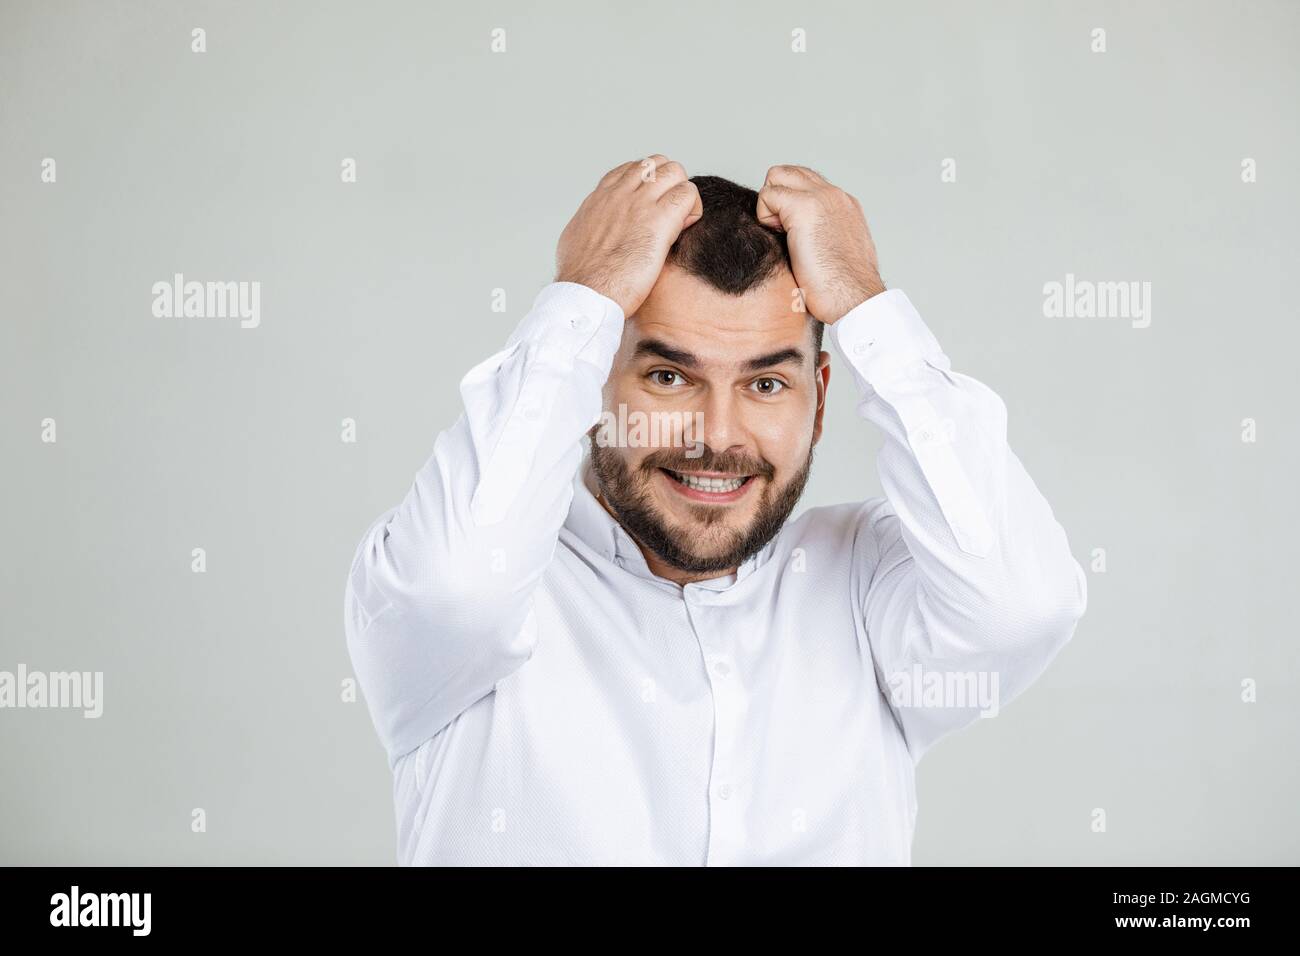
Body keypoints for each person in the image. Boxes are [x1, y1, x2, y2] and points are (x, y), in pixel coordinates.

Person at [343, 157, 1087, 865]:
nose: (718, 436)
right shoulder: (465, 598)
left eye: (766, 385)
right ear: (591, 382)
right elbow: (457, 587)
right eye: (669, 376)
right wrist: (586, 292)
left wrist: (866, 302)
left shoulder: (869, 588)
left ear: (819, 400)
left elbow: (1021, 605)